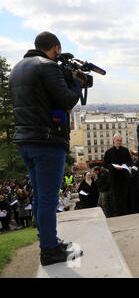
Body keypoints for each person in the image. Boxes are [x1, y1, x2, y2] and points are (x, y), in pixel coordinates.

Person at [8, 31, 83, 265]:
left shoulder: (18, 68)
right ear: (56, 48)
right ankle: (49, 250)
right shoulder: (47, 66)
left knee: (41, 196)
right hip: (47, 141)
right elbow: (67, 101)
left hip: (26, 140)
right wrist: (77, 83)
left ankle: (48, 241)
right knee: (49, 199)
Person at [103, 133, 133, 217]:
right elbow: (105, 164)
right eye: (117, 140)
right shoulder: (109, 152)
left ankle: (125, 213)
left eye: (120, 140)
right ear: (113, 140)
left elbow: (130, 162)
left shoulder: (125, 150)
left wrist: (124, 165)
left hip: (124, 177)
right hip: (114, 178)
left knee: (124, 196)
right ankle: (117, 214)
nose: (119, 142)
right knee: (115, 198)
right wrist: (113, 167)